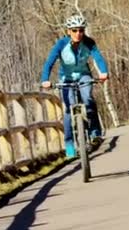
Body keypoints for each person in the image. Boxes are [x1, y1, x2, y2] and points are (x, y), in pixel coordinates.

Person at [40, 15, 109, 158]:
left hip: (84, 75)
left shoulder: (89, 43)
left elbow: (98, 58)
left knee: (88, 98)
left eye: (81, 30)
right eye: (75, 30)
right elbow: (49, 62)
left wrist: (103, 72)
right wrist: (45, 79)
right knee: (68, 108)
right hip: (66, 78)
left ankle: (95, 131)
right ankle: (69, 143)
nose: (78, 34)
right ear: (68, 31)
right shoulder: (61, 44)